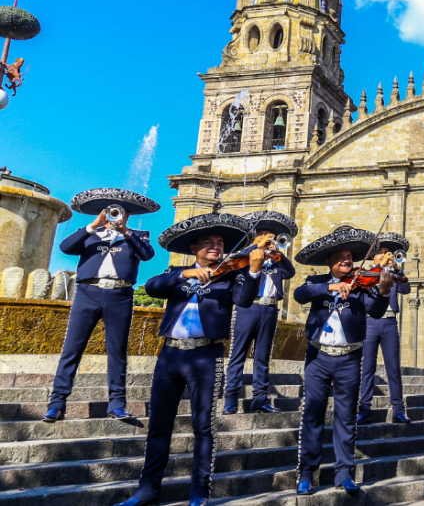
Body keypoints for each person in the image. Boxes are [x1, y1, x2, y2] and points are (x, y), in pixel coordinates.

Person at [113, 213, 261, 506]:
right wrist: (184, 275)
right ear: (194, 248)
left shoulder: (231, 275)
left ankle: (199, 490)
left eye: (220, 243)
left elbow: (244, 300)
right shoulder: (176, 272)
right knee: (159, 424)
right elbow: (152, 286)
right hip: (170, 354)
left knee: (203, 426)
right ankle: (147, 489)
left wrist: (254, 271)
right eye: (208, 242)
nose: (216, 247)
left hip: (207, 355)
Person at [292, 228, 394, 496]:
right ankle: (306, 473)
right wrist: (332, 286)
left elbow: (376, 311)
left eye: (349, 256)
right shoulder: (316, 281)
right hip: (318, 357)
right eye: (340, 257)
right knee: (312, 413)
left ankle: (344, 472)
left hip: (349, 358)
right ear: (329, 261)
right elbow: (300, 294)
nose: (347, 260)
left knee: (346, 416)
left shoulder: (362, 285)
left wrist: (384, 291)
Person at [44, 188, 159, 423]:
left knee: (117, 351)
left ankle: (117, 404)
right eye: (111, 212)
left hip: (120, 294)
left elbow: (147, 255)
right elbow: (65, 248)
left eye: (121, 212)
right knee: (72, 349)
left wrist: (125, 232)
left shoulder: (138, 236)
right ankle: (56, 403)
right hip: (88, 292)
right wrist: (93, 226)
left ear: (128, 215)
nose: (116, 216)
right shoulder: (89, 234)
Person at [223, 211, 297, 415]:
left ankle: (260, 399)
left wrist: (278, 253)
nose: (267, 239)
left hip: (270, 309)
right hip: (248, 307)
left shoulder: (276, 261)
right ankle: (230, 399)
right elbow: (232, 261)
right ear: (254, 238)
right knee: (237, 354)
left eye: (270, 236)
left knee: (263, 356)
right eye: (262, 235)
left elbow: (290, 272)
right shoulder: (245, 257)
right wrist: (257, 248)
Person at [358, 232, 413, 425]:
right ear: (373, 257)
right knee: (367, 367)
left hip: (389, 322)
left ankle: (398, 410)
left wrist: (398, 270)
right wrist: (380, 267)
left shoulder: (394, 274)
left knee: (393, 368)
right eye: (380, 252)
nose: (384, 255)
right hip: (370, 323)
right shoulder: (367, 273)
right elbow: (365, 288)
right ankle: (364, 409)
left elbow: (406, 289)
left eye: (387, 252)